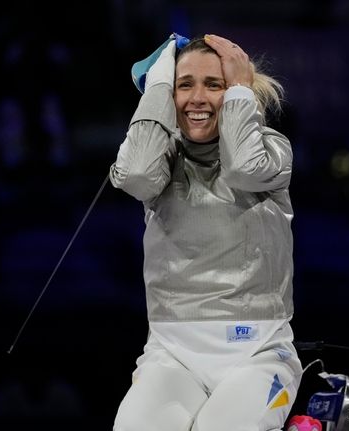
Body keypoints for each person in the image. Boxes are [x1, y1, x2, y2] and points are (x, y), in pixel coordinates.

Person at [109, 33, 302, 431]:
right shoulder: (159, 158)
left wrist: (241, 92)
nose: (197, 98)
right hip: (172, 353)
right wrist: (158, 82)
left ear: (236, 92)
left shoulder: (272, 148)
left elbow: (243, 169)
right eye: (184, 85)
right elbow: (138, 176)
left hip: (259, 352)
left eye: (214, 85)